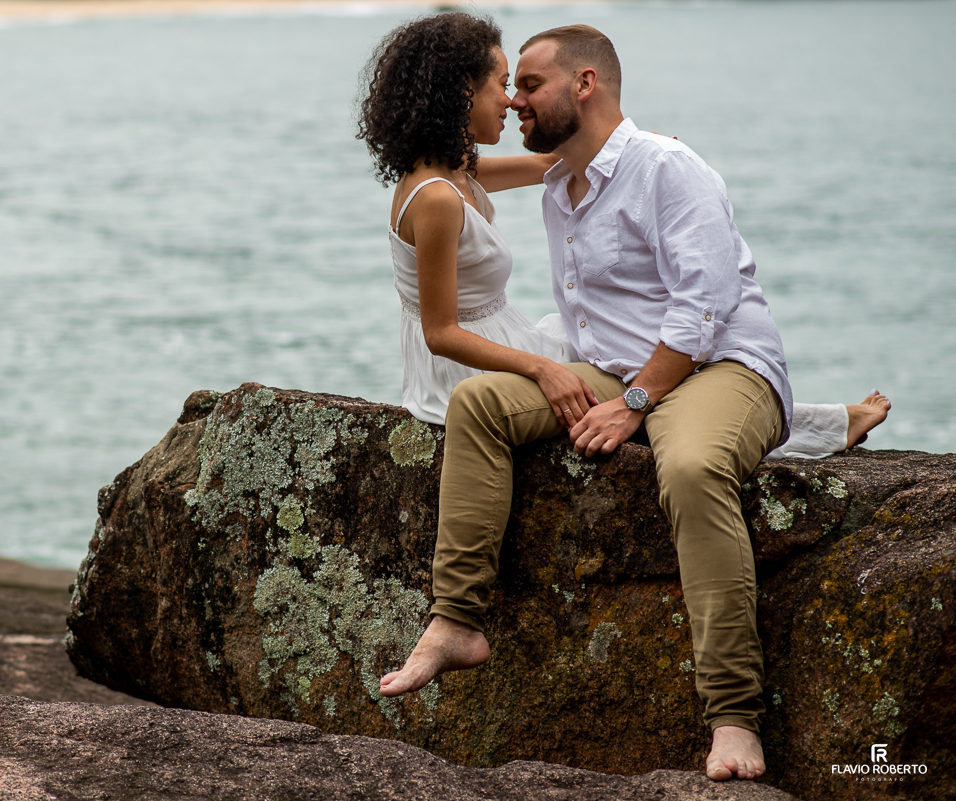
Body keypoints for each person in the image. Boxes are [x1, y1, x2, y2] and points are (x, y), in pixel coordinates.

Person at [356, 15, 888, 782]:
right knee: (479, 406)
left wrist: (635, 401)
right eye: (505, 85)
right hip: (617, 368)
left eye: (527, 85)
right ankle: (454, 619)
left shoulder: (668, 168)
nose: (513, 104)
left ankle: (733, 712)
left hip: (716, 367)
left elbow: (702, 311)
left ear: (586, 83)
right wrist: (595, 384)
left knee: (694, 469)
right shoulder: (560, 181)